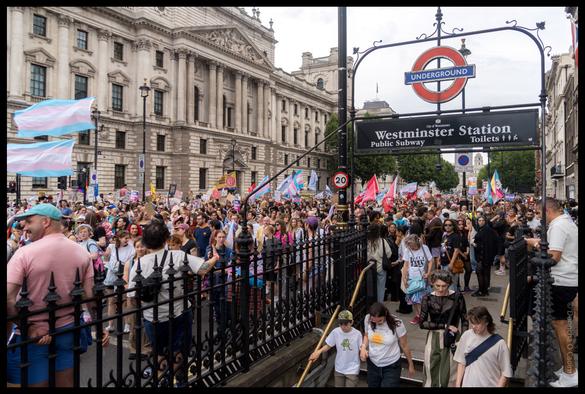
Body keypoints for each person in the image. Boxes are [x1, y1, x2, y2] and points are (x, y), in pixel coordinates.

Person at [7, 204, 109, 387]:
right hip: (68, 328)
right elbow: (89, 297)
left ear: (46, 222)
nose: (25, 226)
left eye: (30, 221)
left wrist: (28, 328)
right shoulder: (81, 252)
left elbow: (7, 298)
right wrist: (99, 327)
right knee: (66, 382)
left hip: (35, 334)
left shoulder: (24, 253)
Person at [127, 220, 217, 386]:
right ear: (166, 239)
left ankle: (162, 380)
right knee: (178, 351)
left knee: (159, 352)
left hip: (152, 317)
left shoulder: (140, 264)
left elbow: (132, 295)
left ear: (146, 241)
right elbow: (203, 268)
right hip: (179, 312)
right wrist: (215, 259)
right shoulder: (178, 256)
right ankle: (176, 381)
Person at [527, 197, 578, 387]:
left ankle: (570, 373)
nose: (539, 218)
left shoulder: (558, 226)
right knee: (563, 326)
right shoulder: (566, 222)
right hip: (568, 280)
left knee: (562, 327)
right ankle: (568, 368)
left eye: (540, 214)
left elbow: (553, 257)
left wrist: (534, 244)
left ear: (547, 211)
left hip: (562, 281)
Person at [419, 270, 468, 387]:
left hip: (452, 338)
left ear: (449, 284)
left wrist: (464, 339)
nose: (440, 289)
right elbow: (422, 323)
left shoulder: (457, 296)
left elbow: (464, 319)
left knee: (450, 372)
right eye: (437, 286)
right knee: (431, 369)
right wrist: (444, 326)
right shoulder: (427, 298)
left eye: (444, 286)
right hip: (433, 337)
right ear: (432, 284)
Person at [454, 306, 513, 387]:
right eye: (472, 323)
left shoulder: (500, 344)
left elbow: (505, 373)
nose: (473, 326)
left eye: (477, 323)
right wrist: (458, 385)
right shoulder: (466, 336)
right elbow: (461, 362)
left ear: (486, 322)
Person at [360, 302, 415, 387]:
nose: (377, 323)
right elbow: (366, 335)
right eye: (374, 320)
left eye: (380, 320)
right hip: (373, 364)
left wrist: (410, 364)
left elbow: (404, 345)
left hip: (391, 365)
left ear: (385, 314)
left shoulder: (397, 323)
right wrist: (363, 348)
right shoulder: (367, 318)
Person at [309, 310, 362, 387]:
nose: (343, 327)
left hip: (352, 369)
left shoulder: (357, 334)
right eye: (341, 324)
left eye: (346, 324)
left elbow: (361, 348)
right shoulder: (336, 332)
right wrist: (318, 352)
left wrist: (363, 353)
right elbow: (328, 345)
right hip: (339, 368)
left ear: (352, 322)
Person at [122, 237, 152, 360]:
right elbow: (125, 278)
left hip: (146, 296)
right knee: (133, 322)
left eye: (142, 246)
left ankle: (146, 348)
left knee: (147, 322)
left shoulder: (150, 260)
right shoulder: (130, 262)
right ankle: (133, 348)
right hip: (132, 296)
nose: (140, 248)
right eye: (137, 246)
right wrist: (130, 289)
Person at [102, 230, 135, 333]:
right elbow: (107, 259)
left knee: (125, 302)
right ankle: (110, 324)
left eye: (127, 237)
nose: (126, 240)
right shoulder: (112, 247)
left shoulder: (132, 249)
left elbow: (130, 263)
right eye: (124, 237)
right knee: (111, 301)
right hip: (111, 277)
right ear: (119, 238)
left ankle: (127, 325)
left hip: (124, 277)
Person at [401, 234, 433, 325]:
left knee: (421, 299)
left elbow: (431, 260)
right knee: (413, 299)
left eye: (413, 245)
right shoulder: (408, 250)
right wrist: (404, 279)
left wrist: (428, 272)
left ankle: (421, 316)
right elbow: (406, 265)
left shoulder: (424, 248)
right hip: (412, 278)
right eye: (410, 245)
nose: (411, 247)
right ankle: (418, 315)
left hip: (422, 277)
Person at [472, 215, 499, 297]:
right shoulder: (484, 229)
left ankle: (482, 290)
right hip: (487, 256)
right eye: (479, 220)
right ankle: (484, 290)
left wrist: (474, 244)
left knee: (480, 272)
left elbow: (484, 244)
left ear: (485, 221)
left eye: (482, 220)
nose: (481, 222)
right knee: (485, 273)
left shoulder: (486, 230)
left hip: (483, 256)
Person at [367, 223, 392, 303]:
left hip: (369, 267)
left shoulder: (367, 241)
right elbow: (389, 253)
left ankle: (370, 303)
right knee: (380, 287)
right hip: (380, 266)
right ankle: (379, 304)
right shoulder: (382, 241)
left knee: (370, 287)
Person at [440, 219, 463, 291]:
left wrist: (451, 263)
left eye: (450, 225)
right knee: (444, 283)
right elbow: (442, 248)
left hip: (450, 263)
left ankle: (453, 301)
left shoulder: (455, 236)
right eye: (446, 225)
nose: (447, 226)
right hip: (443, 263)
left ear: (453, 226)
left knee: (451, 285)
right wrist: (439, 260)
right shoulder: (444, 236)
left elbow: (456, 251)